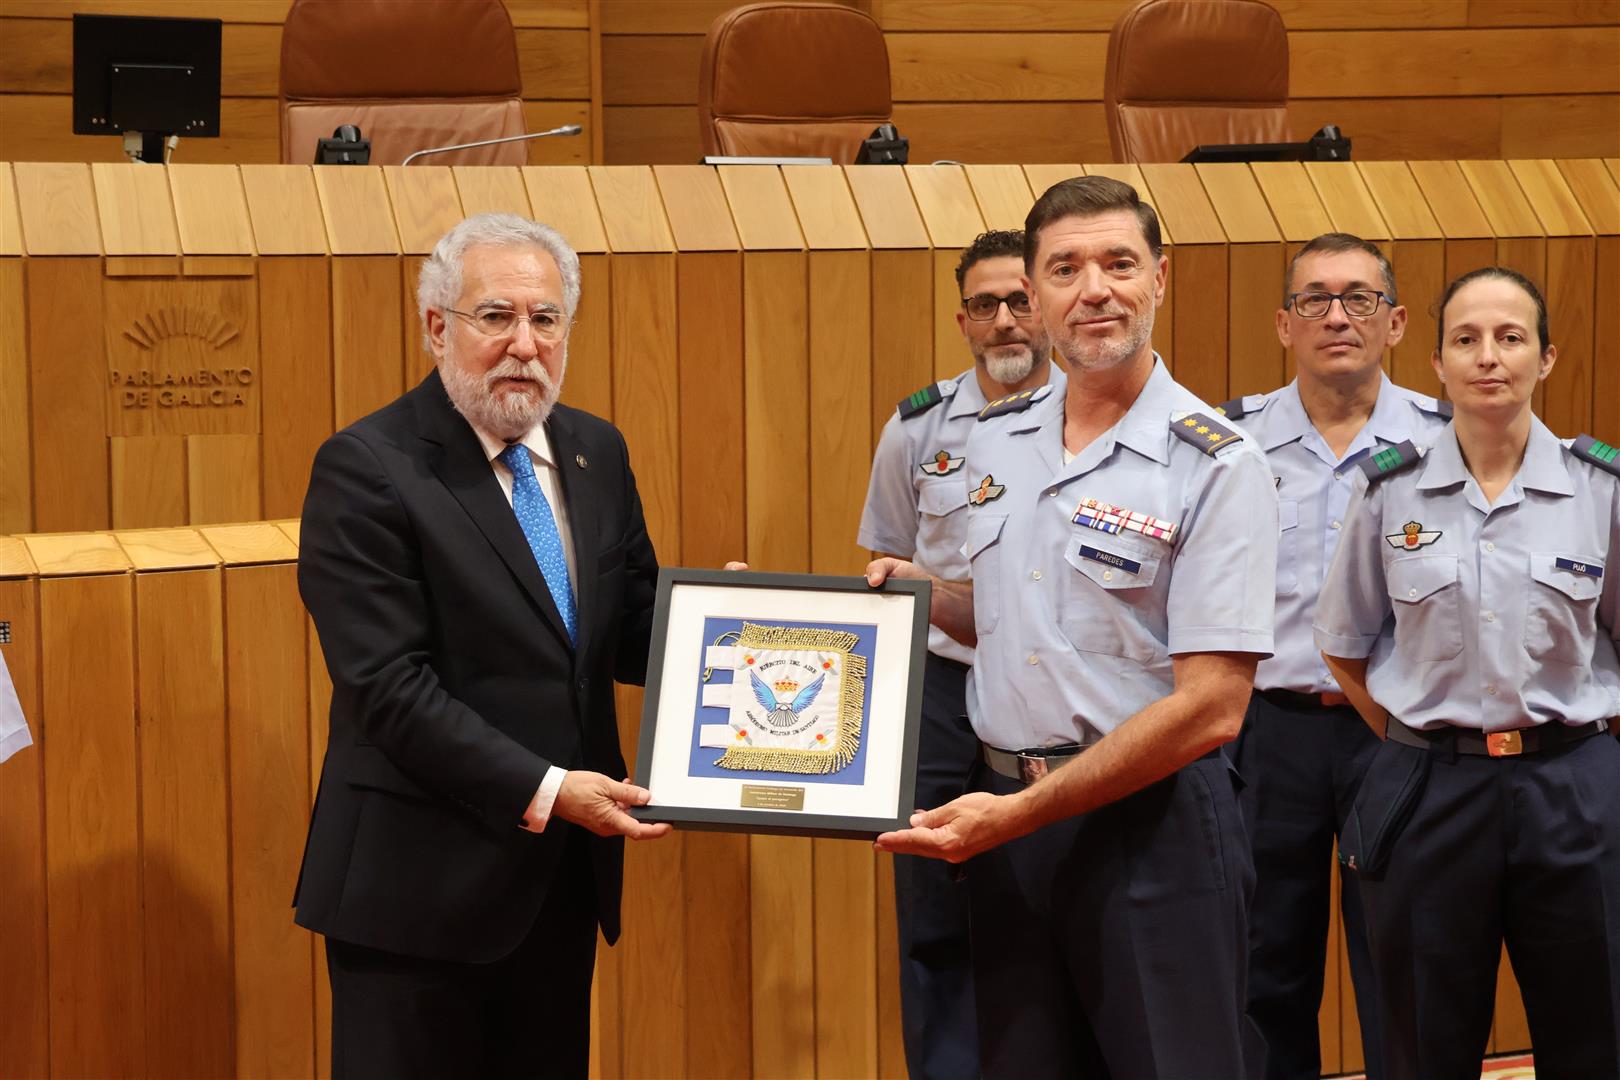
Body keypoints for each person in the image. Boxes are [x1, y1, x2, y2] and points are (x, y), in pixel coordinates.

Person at [870, 175, 1277, 1078]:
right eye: (1065, 268)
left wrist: (1018, 811)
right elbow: (1019, 627)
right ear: (1039, 292)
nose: (1094, 288)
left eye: (1118, 262)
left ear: (1160, 279)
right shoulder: (995, 441)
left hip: (1150, 832)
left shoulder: (1215, 464)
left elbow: (1212, 706)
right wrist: (895, 602)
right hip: (1009, 825)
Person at [293, 212, 671, 1080]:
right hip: (415, 901)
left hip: (556, 892)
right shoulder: (367, 466)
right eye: (494, 317)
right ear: (438, 327)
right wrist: (550, 789)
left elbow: (627, 629)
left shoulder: (594, 451)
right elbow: (387, 688)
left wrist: (729, 626)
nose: (523, 345)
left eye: (544, 320)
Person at [1315, 267, 1620, 1080]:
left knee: (1598, 1028)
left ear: (1547, 358)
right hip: (1430, 791)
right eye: (1466, 339)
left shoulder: (1601, 490)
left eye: (1511, 337)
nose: (1490, 357)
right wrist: (1419, 741)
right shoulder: (1387, 489)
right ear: (1439, 363)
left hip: (1573, 785)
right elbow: (1344, 644)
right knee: (1422, 1040)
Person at [1218, 233, 1450, 1080]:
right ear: (1284, 324)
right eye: (1314, 299)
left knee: (1406, 959)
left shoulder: (1447, 440)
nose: (1336, 316)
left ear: (1392, 323)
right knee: (1260, 967)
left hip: (1394, 734)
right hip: (1265, 734)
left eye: (1358, 298)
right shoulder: (1225, 445)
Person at [857, 228, 1060, 1080]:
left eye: (1021, 300)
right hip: (939, 692)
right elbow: (887, 564)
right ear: (962, 320)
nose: (1007, 320)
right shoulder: (917, 429)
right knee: (935, 910)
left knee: (1047, 901)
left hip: (1050, 693)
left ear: (1046, 306)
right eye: (987, 305)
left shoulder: (1090, 420)